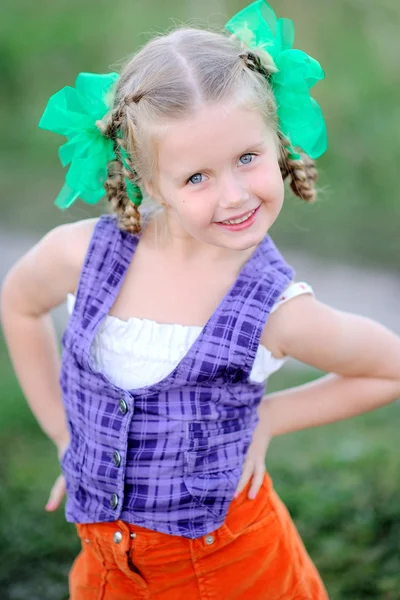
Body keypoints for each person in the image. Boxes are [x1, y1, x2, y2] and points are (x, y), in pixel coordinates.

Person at [1, 1, 399, 598]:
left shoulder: (278, 309)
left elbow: (388, 367)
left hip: (235, 571)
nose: (234, 195)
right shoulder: (79, 255)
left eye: (247, 158)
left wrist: (269, 417)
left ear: (278, 143)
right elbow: (20, 303)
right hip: (106, 572)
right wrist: (62, 433)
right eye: (197, 177)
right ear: (145, 178)